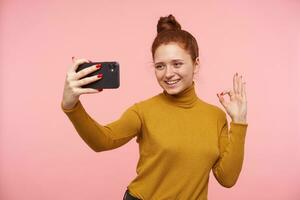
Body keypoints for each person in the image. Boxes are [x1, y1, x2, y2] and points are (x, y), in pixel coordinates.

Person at [61, 14, 248, 200]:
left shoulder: (215, 116)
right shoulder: (142, 111)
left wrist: (239, 123)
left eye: (177, 64)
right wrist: (72, 107)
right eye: (160, 66)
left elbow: (227, 178)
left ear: (196, 64)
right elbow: (102, 141)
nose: (168, 74)